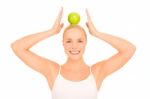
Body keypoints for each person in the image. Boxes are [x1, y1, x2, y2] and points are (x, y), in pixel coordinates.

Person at [11, 8, 136, 99]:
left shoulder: (97, 72)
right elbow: (17, 47)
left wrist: (97, 33)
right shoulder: (52, 71)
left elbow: (129, 50)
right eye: (69, 41)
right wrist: (51, 31)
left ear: (86, 43)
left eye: (80, 41)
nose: (74, 46)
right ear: (63, 43)